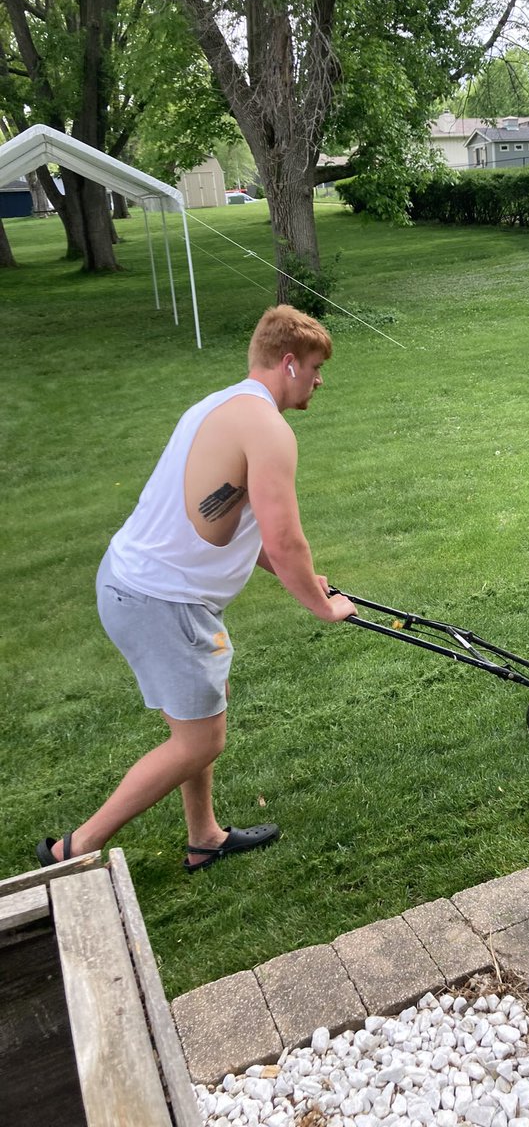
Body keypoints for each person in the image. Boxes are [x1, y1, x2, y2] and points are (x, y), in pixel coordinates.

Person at [37, 305, 357, 873]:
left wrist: (304, 581)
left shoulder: (221, 405)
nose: (319, 380)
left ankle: (203, 836)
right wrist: (319, 604)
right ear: (288, 363)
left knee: (202, 716)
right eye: (314, 367)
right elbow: (285, 540)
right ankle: (72, 848)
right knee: (201, 742)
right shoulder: (270, 430)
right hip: (163, 601)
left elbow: (237, 524)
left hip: (132, 583)